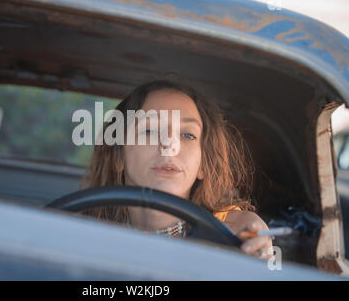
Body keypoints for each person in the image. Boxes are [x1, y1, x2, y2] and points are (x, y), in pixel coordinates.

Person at [80, 80, 273, 259]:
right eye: (150, 130)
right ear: (119, 156)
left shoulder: (234, 229)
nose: (170, 145)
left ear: (203, 166)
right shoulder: (79, 231)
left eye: (188, 135)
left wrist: (257, 252)